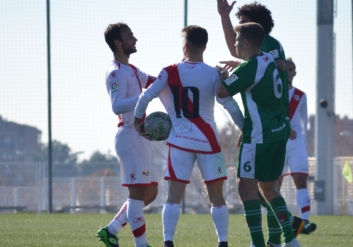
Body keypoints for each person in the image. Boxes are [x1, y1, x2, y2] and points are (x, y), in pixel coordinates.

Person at [133, 25, 245, 247]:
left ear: (185, 46)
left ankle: (168, 242)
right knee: (216, 195)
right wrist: (245, 127)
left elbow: (145, 97)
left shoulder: (169, 71)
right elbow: (229, 104)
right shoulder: (214, 73)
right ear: (205, 46)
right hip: (208, 142)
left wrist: (138, 122)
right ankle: (223, 243)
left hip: (180, 142)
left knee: (174, 195)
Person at [217, 1, 307, 246]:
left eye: (241, 26)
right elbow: (267, 75)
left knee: (246, 189)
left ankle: (265, 242)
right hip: (277, 130)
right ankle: (289, 240)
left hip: (261, 134)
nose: (235, 42)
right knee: (268, 188)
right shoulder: (270, 58)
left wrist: (227, 76)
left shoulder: (258, 59)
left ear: (249, 37)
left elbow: (224, 91)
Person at [97, 22, 158, 247]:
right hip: (129, 135)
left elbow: (153, 82)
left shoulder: (132, 70)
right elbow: (117, 105)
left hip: (141, 137)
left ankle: (111, 230)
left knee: (150, 192)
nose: (135, 39)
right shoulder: (116, 72)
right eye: (130, 36)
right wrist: (145, 97)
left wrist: (175, 74)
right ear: (118, 43)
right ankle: (141, 244)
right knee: (137, 194)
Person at [279, 58, 317, 235]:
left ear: (295, 72)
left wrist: (303, 142)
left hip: (296, 144)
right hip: (277, 143)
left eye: (291, 69)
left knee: (300, 180)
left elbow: (304, 121)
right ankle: (280, 221)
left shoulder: (300, 95)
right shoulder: (274, 93)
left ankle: (305, 221)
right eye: (285, 69)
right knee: (274, 185)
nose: (288, 72)